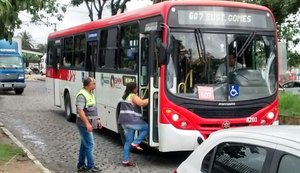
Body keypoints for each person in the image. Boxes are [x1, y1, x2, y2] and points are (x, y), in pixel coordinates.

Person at [118, 82, 149, 167]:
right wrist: (152, 98)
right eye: (136, 87)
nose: (137, 88)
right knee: (147, 127)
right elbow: (142, 103)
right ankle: (136, 142)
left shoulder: (124, 96)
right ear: (133, 88)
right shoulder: (133, 96)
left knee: (128, 141)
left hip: (124, 122)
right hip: (131, 121)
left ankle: (125, 160)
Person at [76, 77, 102, 172]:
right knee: (90, 144)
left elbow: (93, 108)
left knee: (84, 144)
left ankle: (81, 164)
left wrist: (98, 119)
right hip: (83, 124)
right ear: (88, 85)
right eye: (93, 83)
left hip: (87, 124)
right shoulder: (82, 95)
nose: (95, 85)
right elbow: (80, 110)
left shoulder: (90, 93)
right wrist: (87, 124)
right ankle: (91, 166)